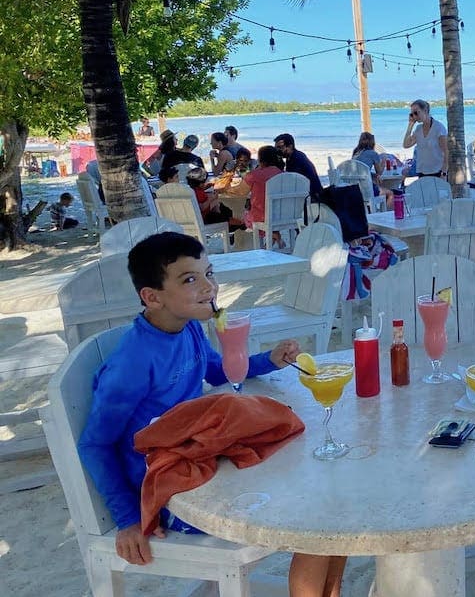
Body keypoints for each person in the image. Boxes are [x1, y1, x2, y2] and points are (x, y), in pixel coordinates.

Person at [76, 232, 344, 596]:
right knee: (315, 518)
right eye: (190, 279)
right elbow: (94, 443)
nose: (209, 287)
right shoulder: (133, 362)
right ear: (152, 297)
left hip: (202, 456)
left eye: (209, 273)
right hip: (170, 494)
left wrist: (269, 360)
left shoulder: (188, 328)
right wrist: (127, 520)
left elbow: (216, 371)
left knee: (327, 497)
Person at [244, 146, 286, 245]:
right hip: (281, 215)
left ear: (260, 159)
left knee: (244, 214)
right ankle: (273, 234)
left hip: (262, 216)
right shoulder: (282, 174)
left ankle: (269, 237)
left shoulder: (255, 175)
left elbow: (241, 191)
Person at [402, 100, 447, 177]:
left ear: (425, 111)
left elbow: (447, 152)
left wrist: (444, 172)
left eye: (416, 113)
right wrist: (410, 125)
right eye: (412, 114)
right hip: (422, 172)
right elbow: (406, 145)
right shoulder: (418, 129)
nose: (414, 116)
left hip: (437, 172)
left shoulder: (438, 128)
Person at [274, 133, 323, 201]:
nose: (277, 150)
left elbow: (291, 182)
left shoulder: (296, 159)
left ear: (290, 146)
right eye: (276, 148)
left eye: (280, 147)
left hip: (312, 198)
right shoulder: (293, 156)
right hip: (307, 194)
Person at [351, 131, 384, 198]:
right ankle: (379, 208)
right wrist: (384, 162)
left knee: (375, 182)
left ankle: (370, 208)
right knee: (390, 194)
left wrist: (374, 175)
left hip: (353, 188)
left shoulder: (355, 152)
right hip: (366, 189)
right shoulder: (373, 153)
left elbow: (359, 170)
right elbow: (379, 172)